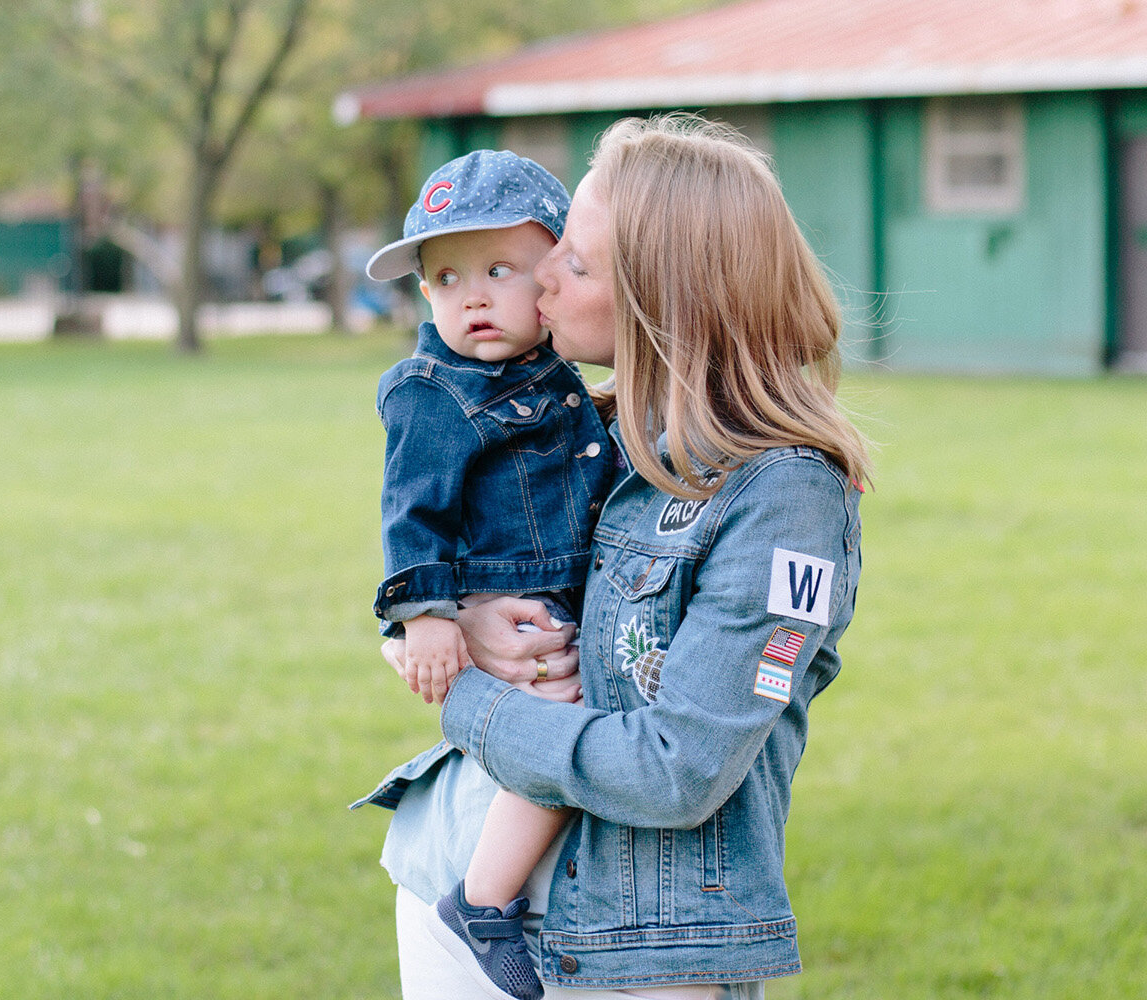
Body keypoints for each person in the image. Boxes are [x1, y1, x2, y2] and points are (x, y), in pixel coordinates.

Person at [356, 113, 870, 999]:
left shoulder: (783, 498)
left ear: (665, 296)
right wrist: (455, 623)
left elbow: (679, 767)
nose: (537, 276)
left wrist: (467, 697)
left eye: (576, 261)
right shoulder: (578, 431)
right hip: (449, 868)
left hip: (635, 946)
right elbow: (421, 559)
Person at [365, 148, 617, 1000]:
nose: (469, 296)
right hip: (516, 599)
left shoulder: (556, 373)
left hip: (562, 591)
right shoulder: (432, 389)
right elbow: (413, 511)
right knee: (559, 728)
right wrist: (428, 616)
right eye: (443, 278)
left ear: (556, 270)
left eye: (498, 269)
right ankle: (484, 898)